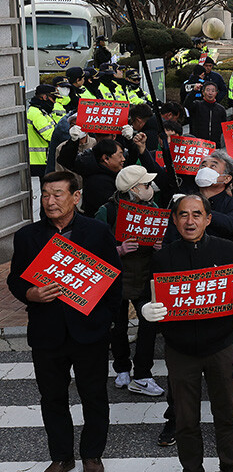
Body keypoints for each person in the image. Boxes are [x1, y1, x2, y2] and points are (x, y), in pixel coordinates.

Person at [144, 195, 233, 472]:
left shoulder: (227, 250)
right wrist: (149, 311)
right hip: (179, 348)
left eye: (197, 214)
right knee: (185, 418)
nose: (190, 221)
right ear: (174, 220)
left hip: (222, 345)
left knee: (227, 413)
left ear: (208, 219)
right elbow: (153, 297)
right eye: (183, 215)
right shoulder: (163, 257)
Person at [7, 171, 121, 472]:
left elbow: (114, 281)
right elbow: (15, 279)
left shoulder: (97, 232)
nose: (50, 201)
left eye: (58, 194)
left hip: (89, 331)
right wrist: (30, 293)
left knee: (94, 395)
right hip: (47, 332)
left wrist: (105, 319)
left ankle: (92, 454)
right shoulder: (27, 236)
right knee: (52, 397)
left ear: (76, 197)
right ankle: (61, 457)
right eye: (45, 195)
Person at [95, 165, 166, 397]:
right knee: (118, 326)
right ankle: (122, 368)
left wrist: (159, 247)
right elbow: (94, 249)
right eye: (146, 185)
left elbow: (164, 237)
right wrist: (119, 250)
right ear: (134, 189)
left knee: (148, 324)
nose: (150, 188)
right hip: (116, 278)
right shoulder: (107, 211)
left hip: (145, 275)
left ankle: (143, 373)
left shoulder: (153, 208)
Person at [26, 84, 59, 172]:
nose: (55, 102)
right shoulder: (36, 113)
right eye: (54, 98)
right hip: (38, 160)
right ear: (45, 97)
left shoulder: (41, 111)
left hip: (41, 159)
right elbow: (50, 135)